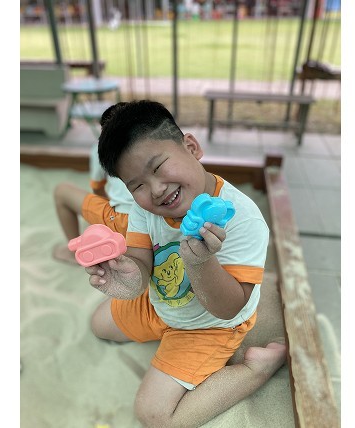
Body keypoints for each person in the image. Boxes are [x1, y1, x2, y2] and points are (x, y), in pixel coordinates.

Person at [86, 100, 287, 427]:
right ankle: (165, 334)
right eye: (137, 185)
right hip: (160, 305)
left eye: (158, 167)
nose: (156, 190)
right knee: (98, 324)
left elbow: (228, 307)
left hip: (209, 324)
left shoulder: (243, 217)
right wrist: (125, 277)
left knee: (155, 415)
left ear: (191, 147)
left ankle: (256, 370)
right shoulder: (145, 210)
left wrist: (201, 262)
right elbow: (141, 267)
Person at [52, 103, 134, 264]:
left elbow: (97, 188)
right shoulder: (148, 147)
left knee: (61, 191)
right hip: (153, 217)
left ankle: (74, 253)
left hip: (122, 221)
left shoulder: (100, 149)